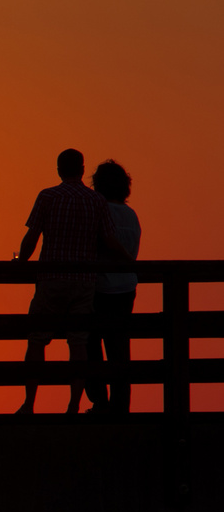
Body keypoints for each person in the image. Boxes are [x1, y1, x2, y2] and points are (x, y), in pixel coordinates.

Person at [14, 148, 132, 415]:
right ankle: (73, 405)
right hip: (83, 283)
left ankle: (29, 403)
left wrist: (20, 263)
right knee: (78, 344)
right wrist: (129, 261)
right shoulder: (96, 201)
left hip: (51, 278)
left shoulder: (47, 196)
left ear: (58, 170)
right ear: (81, 170)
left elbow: (32, 237)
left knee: (37, 341)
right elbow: (110, 241)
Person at [91, 160, 140, 414]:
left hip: (101, 287)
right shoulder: (131, 215)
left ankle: (100, 401)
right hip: (127, 287)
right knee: (120, 347)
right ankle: (121, 406)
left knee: (91, 345)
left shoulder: (100, 211)